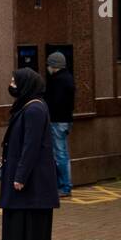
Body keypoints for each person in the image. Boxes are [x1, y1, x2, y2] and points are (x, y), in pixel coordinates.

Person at [0, 68, 60, 240]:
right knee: (21, 219)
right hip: (28, 176)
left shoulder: (34, 109)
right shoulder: (29, 106)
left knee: (29, 220)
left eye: (15, 82)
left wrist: (20, 176)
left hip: (32, 179)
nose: (11, 85)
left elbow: (31, 145)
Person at [45, 51, 75, 198]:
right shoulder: (68, 77)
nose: (47, 67)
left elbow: (54, 102)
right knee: (62, 153)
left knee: (60, 154)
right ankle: (63, 185)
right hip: (66, 120)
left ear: (54, 65)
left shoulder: (58, 80)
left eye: (49, 64)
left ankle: (65, 187)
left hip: (57, 121)